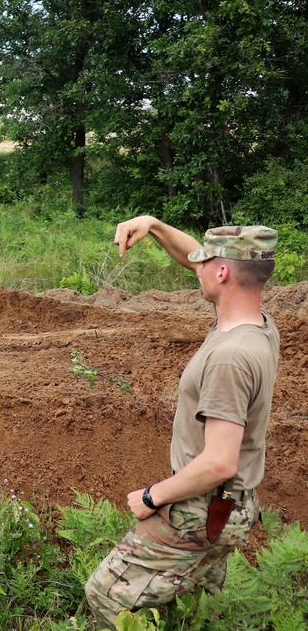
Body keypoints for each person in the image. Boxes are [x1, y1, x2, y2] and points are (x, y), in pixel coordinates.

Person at [84, 216, 279, 629]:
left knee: (105, 595)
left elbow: (220, 462)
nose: (197, 267)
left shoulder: (231, 357)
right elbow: (194, 261)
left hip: (202, 506)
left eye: (206, 262)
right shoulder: (256, 325)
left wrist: (153, 497)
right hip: (232, 506)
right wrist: (153, 225)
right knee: (193, 612)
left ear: (223, 271)